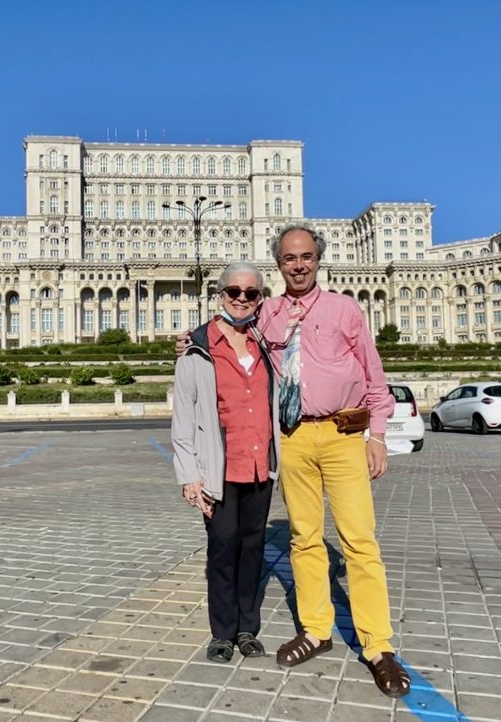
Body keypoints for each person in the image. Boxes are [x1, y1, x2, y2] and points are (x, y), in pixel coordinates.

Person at [175, 225, 410, 697]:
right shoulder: (269, 315)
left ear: (319, 260)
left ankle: (378, 646)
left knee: (359, 540)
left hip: (343, 435)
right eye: (288, 259)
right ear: (278, 265)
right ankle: (317, 629)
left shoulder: (344, 309)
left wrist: (377, 436)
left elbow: (374, 375)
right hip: (294, 439)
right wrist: (190, 341)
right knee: (304, 539)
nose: (298, 265)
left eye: (305, 257)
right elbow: (227, 332)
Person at [171, 262, 281, 663]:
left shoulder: (266, 346)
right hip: (218, 470)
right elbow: (183, 418)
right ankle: (222, 632)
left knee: (253, 548)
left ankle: (247, 627)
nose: (241, 298)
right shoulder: (197, 350)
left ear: (260, 299)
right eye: (233, 291)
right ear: (221, 296)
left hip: (259, 467)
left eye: (250, 293)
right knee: (222, 548)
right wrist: (189, 477)